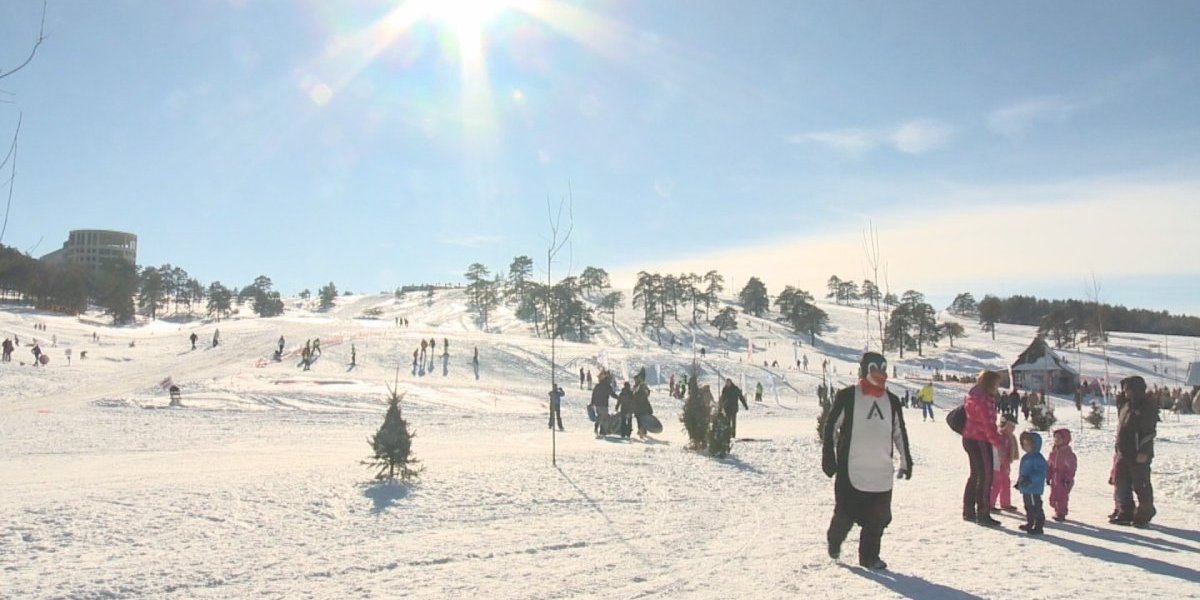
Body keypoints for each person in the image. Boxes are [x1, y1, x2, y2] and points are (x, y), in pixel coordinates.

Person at [822, 352, 913, 571]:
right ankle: (834, 541)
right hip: (851, 469)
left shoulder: (891, 401)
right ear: (864, 370)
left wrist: (905, 460)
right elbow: (831, 426)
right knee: (845, 515)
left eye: (882, 368)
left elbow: (899, 432)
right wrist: (829, 455)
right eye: (874, 368)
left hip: (881, 471)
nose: (879, 373)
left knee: (879, 518)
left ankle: (869, 557)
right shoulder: (848, 396)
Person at [1111, 376, 1157, 527]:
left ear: (1135, 390)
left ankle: (1145, 511)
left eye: (1127, 390)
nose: (1124, 392)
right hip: (1124, 451)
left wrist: (1144, 450)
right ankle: (1126, 511)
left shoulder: (1145, 407)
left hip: (1138, 454)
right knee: (1122, 482)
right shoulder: (1127, 406)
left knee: (1140, 484)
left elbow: (1149, 432)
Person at [962, 370, 1004, 526]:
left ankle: (968, 509)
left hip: (969, 438)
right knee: (986, 476)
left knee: (975, 474)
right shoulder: (984, 400)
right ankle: (983, 512)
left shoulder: (973, 396)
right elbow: (988, 425)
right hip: (980, 440)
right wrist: (998, 443)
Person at [1015, 431, 1047, 535]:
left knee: (1036, 506)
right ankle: (1030, 522)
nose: (1025, 447)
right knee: (1028, 506)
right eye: (1023, 444)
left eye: (1028, 445)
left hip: (1033, 488)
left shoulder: (1038, 458)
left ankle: (1039, 525)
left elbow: (1040, 472)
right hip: (1026, 488)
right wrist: (1019, 482)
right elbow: (1022, 472)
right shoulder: (1026, 457)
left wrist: (1030, 480)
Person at [989, 415, 1019, 512]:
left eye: (1014, 426)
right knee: (996, 484)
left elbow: (1010, 450)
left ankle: (1005, 503)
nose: (1013, 428)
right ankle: (990, 503)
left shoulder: (1009, 437)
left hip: (1005, 463)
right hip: (996, 464)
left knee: (1006, 483)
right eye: (1011, 426)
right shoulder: (999, 436)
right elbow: (997, 451)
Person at [1047, 428, 1077, 522]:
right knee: (1053, 496)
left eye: (1059, 438)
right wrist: (1048, 476)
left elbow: (1071, 468)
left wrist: (1067, 478)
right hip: (1055, 478)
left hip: (1063, 480)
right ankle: (1057, 509)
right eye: (1055, 438)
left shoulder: (1068, 454)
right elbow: (1049, 465)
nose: (1056, 440)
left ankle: (1061, 513)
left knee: (1062, 496)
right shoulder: (1053, 452)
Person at [590, 370, 619, 435]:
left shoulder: (597, 385)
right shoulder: (607, 385)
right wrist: (619, 398)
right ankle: (601, 431)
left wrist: (592, 403)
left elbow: (593, 395)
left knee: (600, 416)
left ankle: (597, 428)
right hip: (604, 404)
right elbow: (612, 394)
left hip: (597, 404)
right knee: (604, 418)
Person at [631, 369, 653, 438]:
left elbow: (633, 395)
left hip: (639, 406)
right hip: (642, 406)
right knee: (642, 418)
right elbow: (648, 393)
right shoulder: (641, 386)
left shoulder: (637, 387)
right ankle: (642, 431)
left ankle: (641, 430)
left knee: (640, 419)